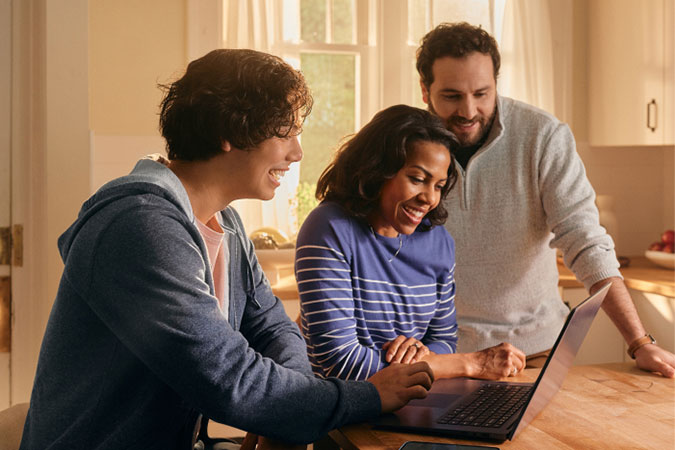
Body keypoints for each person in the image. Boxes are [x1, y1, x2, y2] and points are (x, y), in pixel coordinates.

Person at [19, 49, 436, 450]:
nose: (297, 153)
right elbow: (228, 379)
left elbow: (273, 328)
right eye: (284, 133)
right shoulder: (140, 226)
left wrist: (283, 417)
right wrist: (366, 396)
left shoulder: (227, 224)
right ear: (229, 133)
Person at [415, 22, 675, 376]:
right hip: (438, 356)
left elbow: (585, 241)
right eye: (451, 96)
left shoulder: (542, 137)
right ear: (424, 89)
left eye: (482, 93)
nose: (469, 110)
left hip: (532, 352)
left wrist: (640, 342)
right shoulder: (406, 143)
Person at [295, 104, 526, 382]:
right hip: (335, 410)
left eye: (439, 186)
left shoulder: (438, 241)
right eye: (418, 179)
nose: (429, 198)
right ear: (377, 170)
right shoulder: (329, 228)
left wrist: (420, 354)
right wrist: (470, 364)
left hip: (404, 401)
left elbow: (443, 341)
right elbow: (341, 364)